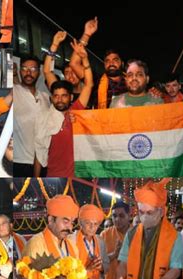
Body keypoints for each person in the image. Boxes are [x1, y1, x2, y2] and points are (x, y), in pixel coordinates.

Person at [35, 39, 93, 177]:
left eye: (64, 96)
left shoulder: (77, 111)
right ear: (52, 97)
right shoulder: (46, 118)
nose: (59, 99)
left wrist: (84, 59)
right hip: (52, 176)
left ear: (71, 97)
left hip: (77, 177)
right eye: (56, 96)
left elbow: (89, 84)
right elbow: (39, 149)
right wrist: (54, 44)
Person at [70, 18, 127, 109]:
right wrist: (86, 35)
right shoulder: (95, 80)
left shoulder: (132, 82)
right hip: (101, 123)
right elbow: (74, 64)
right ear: (104, 64)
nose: (111, 63)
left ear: (122, 64)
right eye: (107, 61)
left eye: (115, 60)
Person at [13, 56, 50, 176]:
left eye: (33, 69)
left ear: (39, 72)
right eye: (24, 69)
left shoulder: (45, 97)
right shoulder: (14, 92)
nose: (28, 73)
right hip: (19, 161)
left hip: (42, 161)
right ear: (20, 71)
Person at [23, 195, 79, 259]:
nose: (69, 227)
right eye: (65, 221)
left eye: (72, 223)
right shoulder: (35, 245)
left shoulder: (72, 246)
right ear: (51, 220)